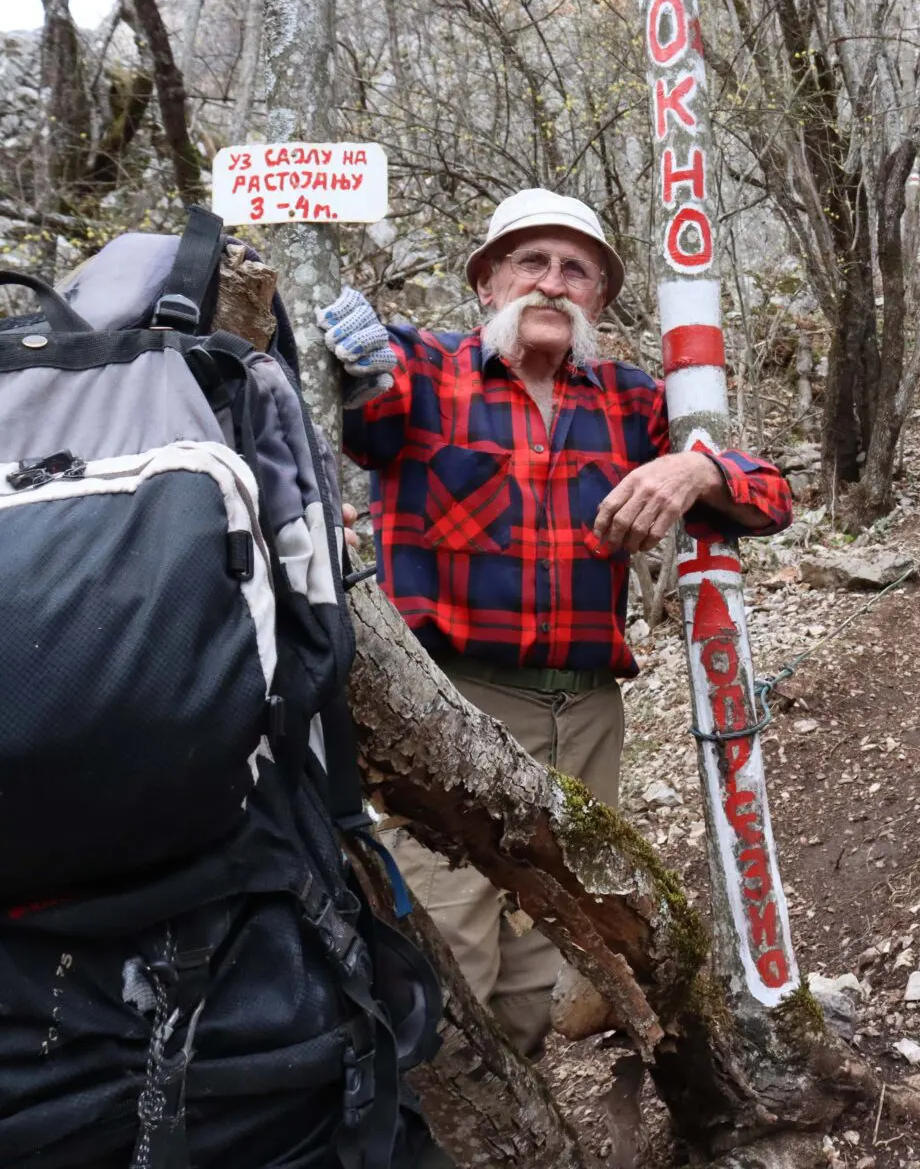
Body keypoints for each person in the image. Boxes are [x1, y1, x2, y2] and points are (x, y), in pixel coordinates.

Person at [320, 188, 791, 1054]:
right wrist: (341, 357)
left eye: (577, 270)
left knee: (545, 953)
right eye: (530, 263)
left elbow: (771, 495)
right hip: (449, 707)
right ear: (489, 284)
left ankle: (525, 1132)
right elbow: (361, 410)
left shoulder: (630, 402)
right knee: (447, 955)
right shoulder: (424, 371)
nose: (553, 283)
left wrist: (694, 474)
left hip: (586, 715)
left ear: (599, 302)